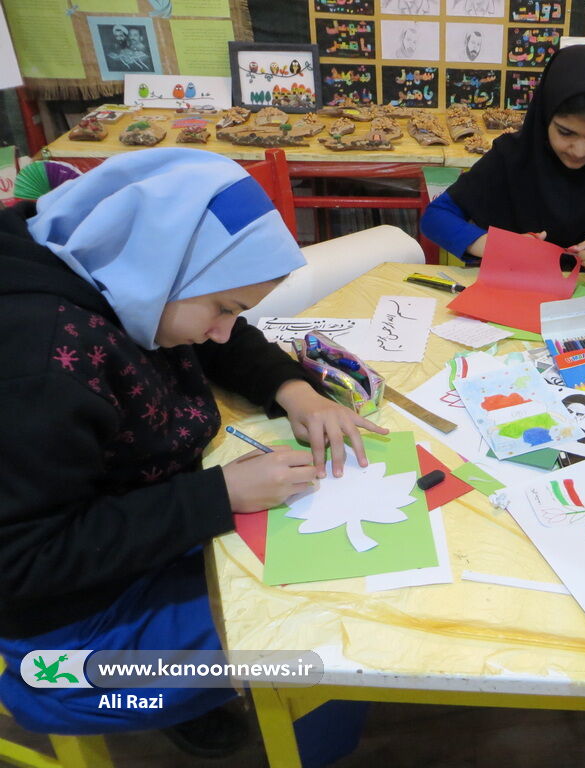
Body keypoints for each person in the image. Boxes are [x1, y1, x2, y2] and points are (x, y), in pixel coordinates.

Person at [0, 149, 384, 758]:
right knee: (312, 645)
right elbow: (22, 560)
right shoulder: (37, 365)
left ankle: (195, 691)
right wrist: (219, 495)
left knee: (311, 588)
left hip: (133, 539)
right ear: (159, 268)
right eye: (224, 310)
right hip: (64, 644)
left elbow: (218, 339)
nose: (225, 331)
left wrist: (294, 390)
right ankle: (183, 698)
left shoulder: (113, 266)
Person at [421, 45, 585, 279]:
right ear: (545, 118)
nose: (579, 150)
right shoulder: (512, 155)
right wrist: (492, 246)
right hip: (516, 286)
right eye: (565, 132)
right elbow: (436, 217)